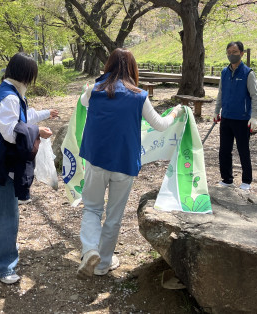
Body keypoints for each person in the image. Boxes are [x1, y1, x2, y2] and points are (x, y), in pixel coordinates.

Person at [77, 48, 184, 279]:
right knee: (114, 216)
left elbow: (83, 103)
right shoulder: (139, 96)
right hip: (124, 162)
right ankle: (103, 265)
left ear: (109, 65)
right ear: (133, 68)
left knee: (92, 208)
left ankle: (90, 251)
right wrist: (175, 112)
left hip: (97, 160)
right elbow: (160, 125)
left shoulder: (94, 90)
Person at [0, 52, 58, 285]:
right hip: (2, 167)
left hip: (2, 165)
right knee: (6, 218)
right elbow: (10, 132)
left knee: (4, 215)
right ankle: (2, 267)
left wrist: (45, 114)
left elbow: (24, 116)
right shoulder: (10, 97)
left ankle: (2, 256)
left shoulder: (11, 93)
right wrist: (38, 131)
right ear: (25, 74)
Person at [213, 41, 257, 191]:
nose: (231, 55)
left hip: (242, 119)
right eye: (229, 52)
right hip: (226, 117)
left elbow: (255, 96)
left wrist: (254, 117)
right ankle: (227, 179)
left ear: (241, 53)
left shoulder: (248, 73)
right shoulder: (224, 72)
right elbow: (221, 93)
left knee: (243, 150)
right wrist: (216, 111)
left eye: (234, 52)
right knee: (224, 150)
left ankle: (246, 181)